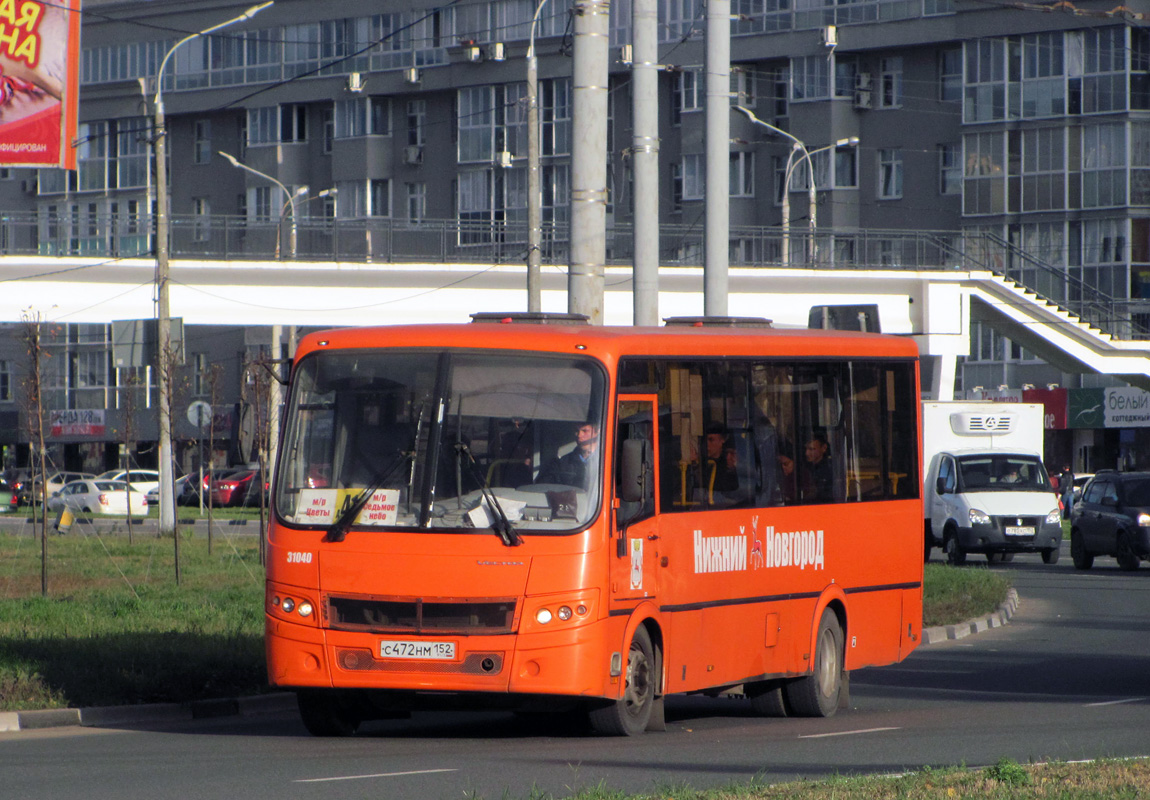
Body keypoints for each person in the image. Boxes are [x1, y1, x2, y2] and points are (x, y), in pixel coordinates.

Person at [537, 421, 599, 489]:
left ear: (597, 432)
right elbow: (544, 486)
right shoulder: (562, 463)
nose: (579, 435)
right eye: (576, 431)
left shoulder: (606, 461)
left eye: (585, 431)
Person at [801, 433, 833, 503]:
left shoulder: (830, 470)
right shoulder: (803, 467)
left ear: (824, 448)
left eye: (811, 449)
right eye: (806, 449)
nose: (807, 453)